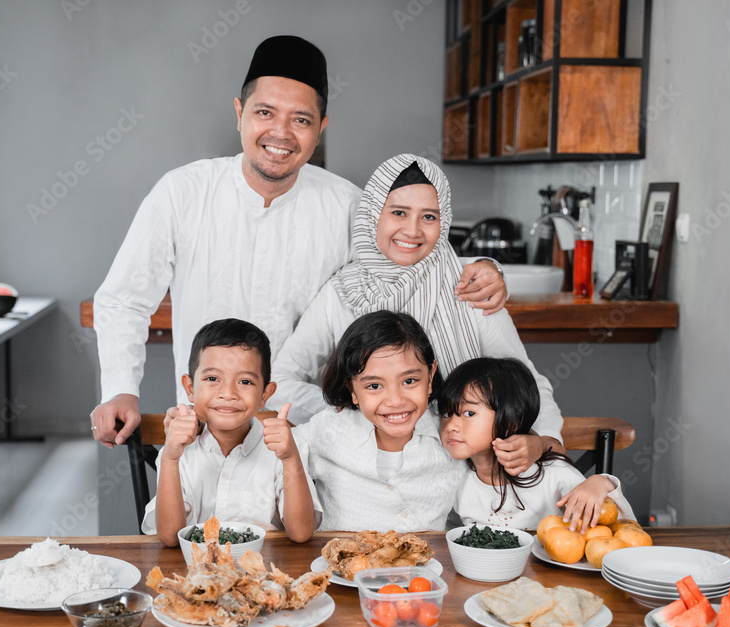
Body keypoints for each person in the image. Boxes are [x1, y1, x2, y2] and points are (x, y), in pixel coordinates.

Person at [90, 37, 508, 447]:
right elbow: (125, 299)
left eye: (301, 120)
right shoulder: (182, 192)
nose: (281, 133)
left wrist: (486, 267)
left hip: (312, 434)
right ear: (239, 114)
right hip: (204, 429)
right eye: (265, 112)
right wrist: (120, 388)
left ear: (321, 128)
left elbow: (416, 259)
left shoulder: (349, 205)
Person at [270, 153, 563, 474]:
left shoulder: (470, 286)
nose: (413, 230)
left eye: (429, 217)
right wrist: (355, 412)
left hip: (466, 475)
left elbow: (527, 381)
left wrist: (544, 440)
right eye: (398, 212)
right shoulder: (341, 294)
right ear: (372, 215)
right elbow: (281, 380)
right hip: (366, 473)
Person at [143, 318, 321, 546]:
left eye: (245, 381)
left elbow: (301, 533)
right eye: (212, 378)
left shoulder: (288, 449)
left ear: (266, 394)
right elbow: (169, 537)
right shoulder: (178, 451)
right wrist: (169, 457)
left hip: (265, 574)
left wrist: (290, 459)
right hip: (195, 575)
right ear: (190, 389)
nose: (228, 393)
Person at [292, 310, 465, 532]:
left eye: (409, 380)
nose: (395, 401)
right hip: (343, 565)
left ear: (430, 377)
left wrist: (525, 440)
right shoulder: (327, 432)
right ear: (352, 390)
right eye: (374, 386)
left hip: (429, 565)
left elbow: (496, 442)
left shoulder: (454, 431)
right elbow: (273, 457)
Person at [439, 357, 635, 532]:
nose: (451, 425)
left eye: (469, 413)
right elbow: (450, 534)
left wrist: (601, 483)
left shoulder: (554, 474)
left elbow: (621, 529)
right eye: (447, 413)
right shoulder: (454, 479)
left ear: (510, 420)